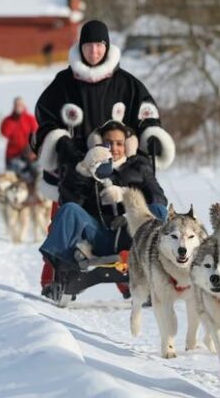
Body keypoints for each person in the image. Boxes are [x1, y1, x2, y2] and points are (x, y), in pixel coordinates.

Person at [34, 19, 175, 202]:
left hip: (121, 173)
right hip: (75, 170)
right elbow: (46, 116)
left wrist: (151, 135)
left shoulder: (127, 84)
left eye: (99, 45)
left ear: (107, 47)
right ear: (80, 47)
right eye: (88, 45)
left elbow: (146, 115)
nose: (94, 51)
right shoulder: (63, 84)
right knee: (67, 219)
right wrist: (60, 142)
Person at [39, 120, 168, 299]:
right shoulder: (91, 166)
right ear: (99, 143)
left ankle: (153, 275)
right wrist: (83, 171)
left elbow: (159, 198)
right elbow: (69, 200)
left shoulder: (139, 167)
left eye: (119, 143)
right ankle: (63, 273)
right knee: (69, 210)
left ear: (127, 145)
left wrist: (127, 196)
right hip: (99, 235)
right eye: (109, 143)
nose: (114, 148)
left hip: (131, 234)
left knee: (159, 211)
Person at [0, 97, 39, 184]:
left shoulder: (30, 119)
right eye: (16, 105)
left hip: (29, 154)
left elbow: (36, 134)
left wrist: (32, 150)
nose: (18, 107)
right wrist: (14, 121)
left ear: (24, 106)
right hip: (14, 155)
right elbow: (4, 133)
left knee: (37, 172)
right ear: (13, 106)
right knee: (19, 175)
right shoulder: (8, 120)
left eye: (20, 105)